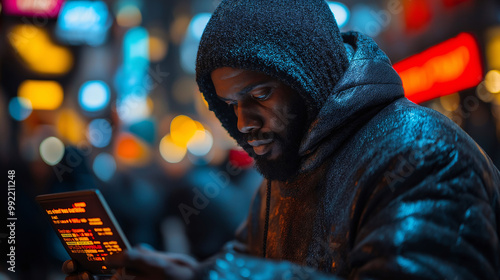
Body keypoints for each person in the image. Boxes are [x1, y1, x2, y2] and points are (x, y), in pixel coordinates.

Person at [64, 0, 500, 279]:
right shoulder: (288, 169)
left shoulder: (421, 153)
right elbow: (244, 260)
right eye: (230, 104)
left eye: (261, 94)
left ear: (308, 78)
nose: (245, 121)